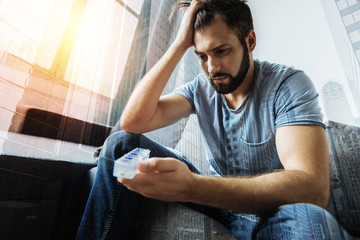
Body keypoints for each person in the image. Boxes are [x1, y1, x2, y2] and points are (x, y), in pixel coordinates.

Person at [76, 0, 356, 239]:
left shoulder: (288, 85)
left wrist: (191, 186)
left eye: (221, 51)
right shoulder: (201, 89)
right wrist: (177, 45)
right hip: (222, 208)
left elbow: (311, 189)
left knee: (310, 218)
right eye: (201, 56)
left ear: (250, 41)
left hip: (275, 214)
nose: (212, 68)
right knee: (121, 146)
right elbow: (134, 122)